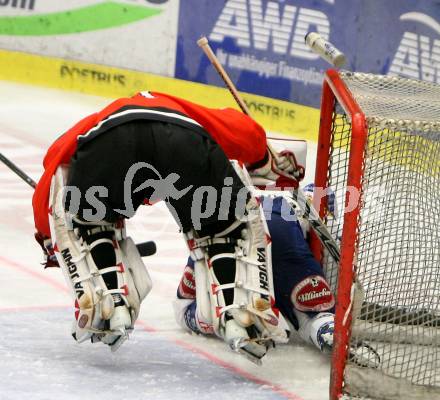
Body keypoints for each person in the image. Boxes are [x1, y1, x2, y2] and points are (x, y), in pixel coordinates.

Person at [32, 90, 304, 356]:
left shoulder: (98, 119)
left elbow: (55, 164)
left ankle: (111, 303)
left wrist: (48, 236)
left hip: (110, 145)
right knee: (222, 231)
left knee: (92, 224)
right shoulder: (180, 109)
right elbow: (244, 132)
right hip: (182, 143)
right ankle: (240, 315)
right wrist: (263, 158)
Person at [174, 191, 336, 362]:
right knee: (316, 314)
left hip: (223, 228)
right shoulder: (317, 208)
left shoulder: (225, 196)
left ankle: (231, 322)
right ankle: (327, 331)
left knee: (195, 310)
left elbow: (182, 306)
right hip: (280, 227)